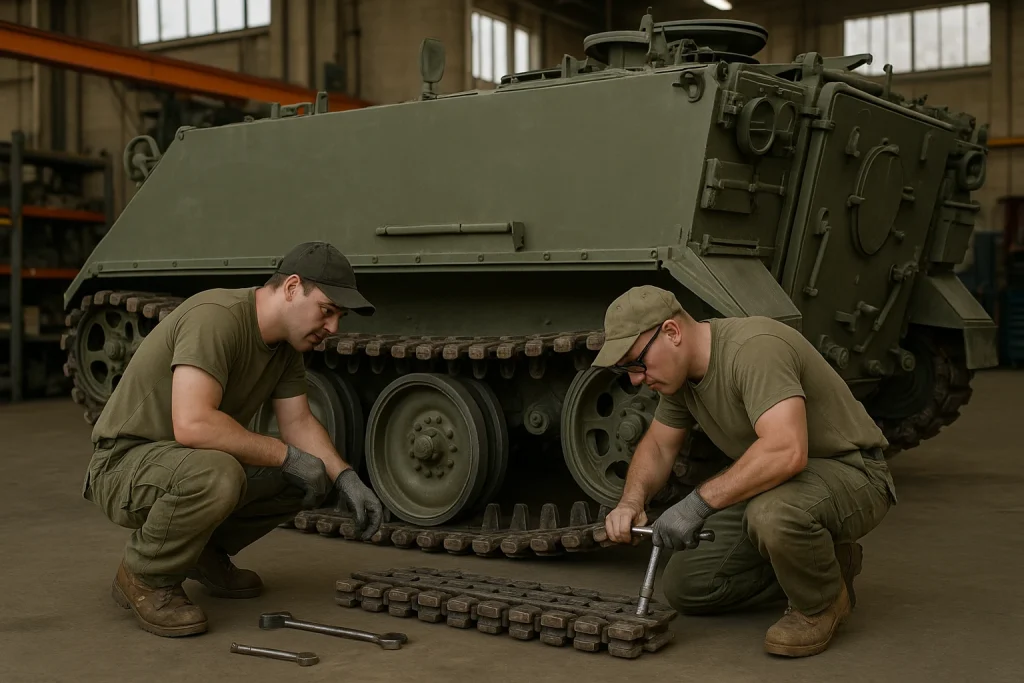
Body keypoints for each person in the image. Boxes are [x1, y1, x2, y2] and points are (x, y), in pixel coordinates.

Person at [81, 241, 384, 638]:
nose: (333, 328)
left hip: (182, 460)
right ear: (292, 288)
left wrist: (344, 475)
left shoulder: (285, 349)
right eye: (327, 311)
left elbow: (299, 423)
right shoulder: (216, 317)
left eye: (339, 317)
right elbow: (193, 424)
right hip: (123, 464)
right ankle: (144, 575)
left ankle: (201, 552)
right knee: (220, 473)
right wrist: (286, 455)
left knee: (307, 475)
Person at [595, 285, 898, 657]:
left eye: (636, 363)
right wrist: (631, 501)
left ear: (671, 332)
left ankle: (820, 604)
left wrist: (695, 505)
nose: (635, 379)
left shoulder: (754, 349)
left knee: (772, 514)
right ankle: (824, 563)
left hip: (853, 471)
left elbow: (786, 451)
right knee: (688, 585)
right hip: (778, 482)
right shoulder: (681, 380)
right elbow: (658, 445)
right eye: (626, 370)